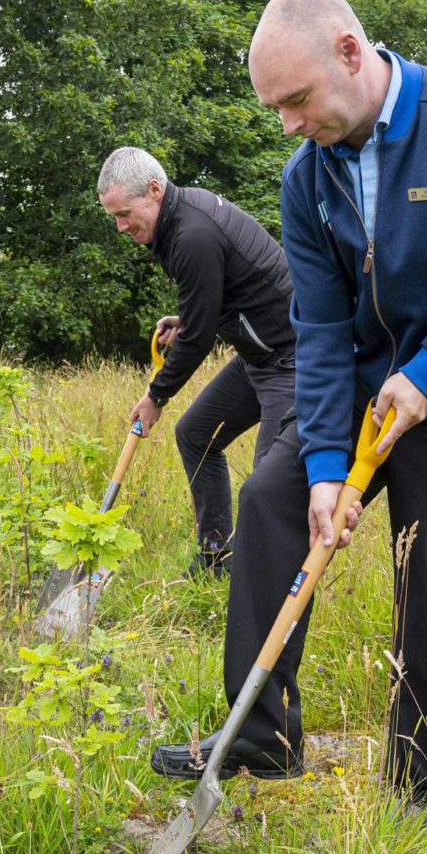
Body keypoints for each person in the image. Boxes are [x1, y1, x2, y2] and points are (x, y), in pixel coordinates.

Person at [150, 0, 427, 810]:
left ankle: (419, 789)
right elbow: (324, 330)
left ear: (348, 51)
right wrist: (331, 467)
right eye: (276, 109)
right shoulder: (306, 178)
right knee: (272, 500)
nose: (290, 123)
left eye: (296, 100)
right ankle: (260, 738)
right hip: (367, 397)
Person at [97, 147, 296, 577]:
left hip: (291, 360)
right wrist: (187, 318)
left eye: (125, 213)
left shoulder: (191, 235)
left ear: (154, 190)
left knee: (267, 483)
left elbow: (201, 339)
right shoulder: (178, 221)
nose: (120, 226)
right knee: (196, 434)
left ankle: (257, 582)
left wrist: (156, 396)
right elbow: (220, 295)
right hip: (255, 355)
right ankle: (215, 556)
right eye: (113, 216)